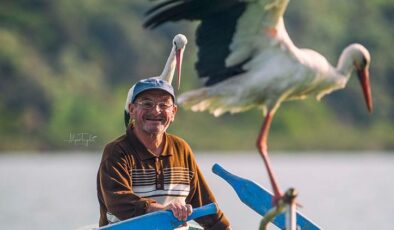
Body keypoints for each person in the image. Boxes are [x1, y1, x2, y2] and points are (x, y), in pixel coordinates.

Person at [97, 78, 230, 229]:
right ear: (132, 110)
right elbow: (118, 202)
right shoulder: (117, 152)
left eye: (164, 104)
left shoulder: (181, 149)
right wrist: (161, 211)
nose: (155, 111)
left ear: (173, 112)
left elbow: (207, 208)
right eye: (147, 104)